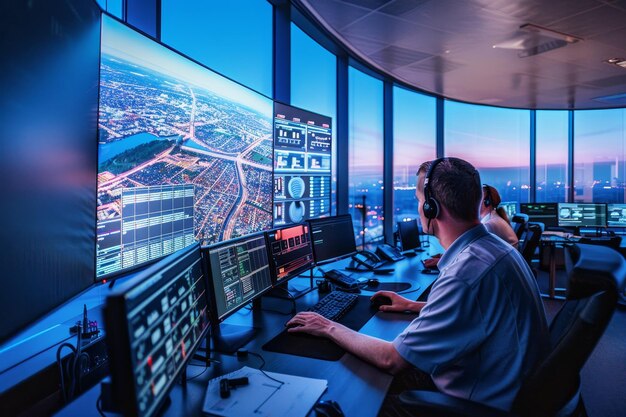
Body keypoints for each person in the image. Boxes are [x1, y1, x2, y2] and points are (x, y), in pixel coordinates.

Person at [286, 157, 549, 414]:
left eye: (419, 200)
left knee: (350, 402)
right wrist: (413, 305)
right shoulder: (494, 249)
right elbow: (479, 309)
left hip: (477, 404)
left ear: (431, 209)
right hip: (507, 388)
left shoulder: (465, 274)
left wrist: (327, 326)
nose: (419, 206)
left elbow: (391, 359)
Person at [480, 184, 519, 249]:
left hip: (505, 258)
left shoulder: (489, 224)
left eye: (477, 199)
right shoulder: (494, 217)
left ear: (487, 202)